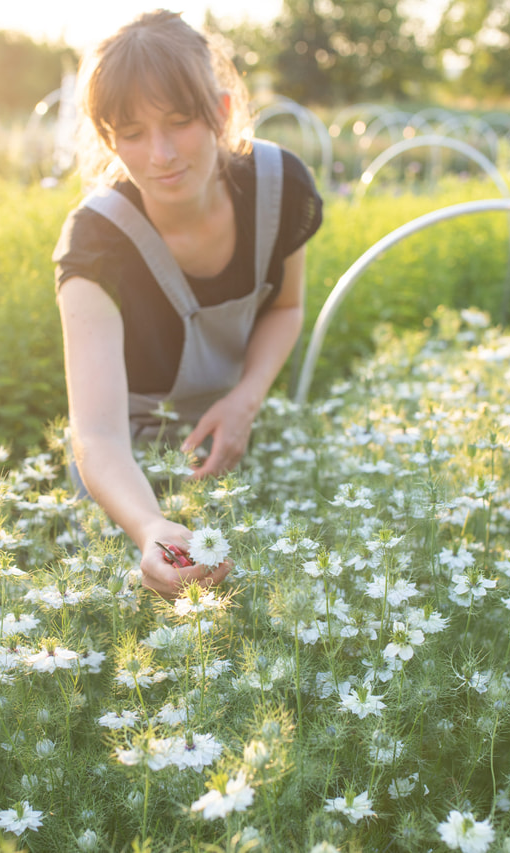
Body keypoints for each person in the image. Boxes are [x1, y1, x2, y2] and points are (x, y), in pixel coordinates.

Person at [52, 9, 324, 598]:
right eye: (132, 133)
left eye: (179, 123)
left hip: (231, 439)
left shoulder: (277, 186)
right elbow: (97, 435)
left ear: (221, 112)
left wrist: (245, 401)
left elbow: (285, 309)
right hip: (127, 472)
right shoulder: (95, 242)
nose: (161, 154)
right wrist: (150, 527)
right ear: (108, 139)